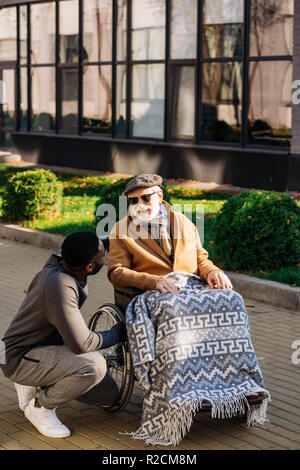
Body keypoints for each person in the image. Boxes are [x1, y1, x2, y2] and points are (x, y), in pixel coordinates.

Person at [106, 174, 270, 446]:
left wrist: (213, 273)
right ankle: (185, 388)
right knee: (175, 311)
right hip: (151, 293)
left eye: (145, 198)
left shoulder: (182, 221)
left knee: (231, 301)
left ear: (159, 196)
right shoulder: (122, 230)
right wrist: (155, 281)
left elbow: (201, 259)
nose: (139, 204)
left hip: (189, 286)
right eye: (133, 201)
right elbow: (116, 272)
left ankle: (236, 385)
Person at [0, 231, 125, 439]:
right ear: (90, 267)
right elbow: (83, 344)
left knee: (108, 396)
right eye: (103, 256)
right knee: (94, 366)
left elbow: (93, 239)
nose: (106, 256)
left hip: (40, 347)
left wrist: (123, 234)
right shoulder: (60, 286)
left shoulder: (64, 258)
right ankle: (40, 407)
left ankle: (37, 379)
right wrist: (116, 333)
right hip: (18, 357)